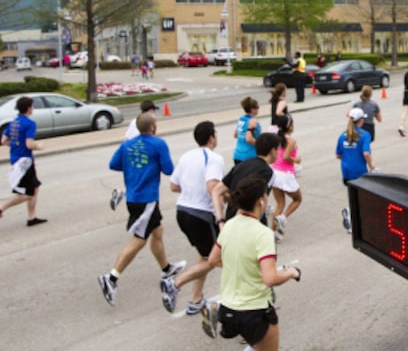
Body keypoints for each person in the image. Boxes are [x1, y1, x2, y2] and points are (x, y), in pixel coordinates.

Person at [98, 113, 185, 306]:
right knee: (139, 241)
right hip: (146, 199)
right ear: (152, 128)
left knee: (158, 230)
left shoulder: (127, 144)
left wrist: (134, 168)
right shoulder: (158, 144)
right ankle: (111, 278)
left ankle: (166, 268)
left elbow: (113, 164)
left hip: (133, 197)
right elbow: (169, 170)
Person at [204, 175, 301, 349]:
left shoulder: (229, 225)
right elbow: (270, 279)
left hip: (229, 308)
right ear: (260, 202)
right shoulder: (263, 234)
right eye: (266, 196)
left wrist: (242, 267)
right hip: (255, 312)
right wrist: (290, 273)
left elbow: (213, 259)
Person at [160, 121, 225, 316]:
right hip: (202, 215)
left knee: (204, 255)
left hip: (182, 211)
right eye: (216, 134)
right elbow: (213, 186)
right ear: (211, 138)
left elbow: (173, 186)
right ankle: (175, 283)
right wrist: (221, 215)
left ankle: (195, 300)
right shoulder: (214, 158)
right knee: (216, 258)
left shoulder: (187, 156)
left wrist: (190, 190)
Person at [0, 96, 47, 228]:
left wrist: (15, 145)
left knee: (35, 187)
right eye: (32, 106)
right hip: (24, 162)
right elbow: (29, 144)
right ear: (29, 108)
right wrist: (39, 146)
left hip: (16, 159)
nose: (33, 108)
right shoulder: (29, 124)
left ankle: (32, 218)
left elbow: (3, 141)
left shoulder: (13, 123)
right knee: (27, 193)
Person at [213, 133, 280, 227]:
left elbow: (216, 191)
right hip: (250, 224)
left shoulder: (242, 165)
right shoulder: (267, 172)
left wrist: (220, 221)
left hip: (230, 222)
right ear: (273, 151)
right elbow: (258, 201)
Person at [112, 99, 160, 210]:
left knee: (136, 181)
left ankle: (121, 193)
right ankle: (124, 194)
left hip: (131, 152)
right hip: (139, 152)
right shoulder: (146, 123)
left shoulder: (136, 121)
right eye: (153, 111)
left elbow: (126, 139)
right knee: (142, 181)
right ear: (150, 110)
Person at [336, 108, 376, 234]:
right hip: (359, 171)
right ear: (361, 120)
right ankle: (350, 214)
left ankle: (351, 214)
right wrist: (372, 167)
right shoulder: (364, 135)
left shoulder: (342, 135)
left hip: (346, 171)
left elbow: (338, 155)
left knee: (354, 194)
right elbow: (366, 153)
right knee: (363, 197)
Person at [270, 114, 302, 241]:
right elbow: (286, 157)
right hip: (285, 174)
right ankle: (283, 218)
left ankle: (271, 233)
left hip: (275, 173)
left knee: (280, 204)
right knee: (298, 199)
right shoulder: (291, 140)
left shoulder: (277, 137)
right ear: (289, 126)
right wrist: (296, 160)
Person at [234, 97, 262, 165]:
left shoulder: (241, 119)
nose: (258, 109)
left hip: (237, 154)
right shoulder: (253, 121)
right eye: (257, 107)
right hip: (249, 156)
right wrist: (261, 145)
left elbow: (235, 135)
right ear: (252, 109)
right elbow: (249, 139)